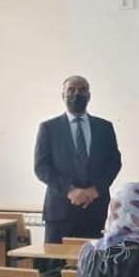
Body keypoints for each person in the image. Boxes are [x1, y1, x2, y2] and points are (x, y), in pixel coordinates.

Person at [34, 75, 122, 245]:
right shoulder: (49, 128)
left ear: (89, 96)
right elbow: (41, 167)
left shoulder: (104, 127)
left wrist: (96, 189)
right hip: (60, 211)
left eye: (82, 90)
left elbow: (114, 162)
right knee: (55, 261)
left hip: (96, 209)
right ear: (63, 95)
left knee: (95, 260)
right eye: (71, 90)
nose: (76, 94)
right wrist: (70, 190)